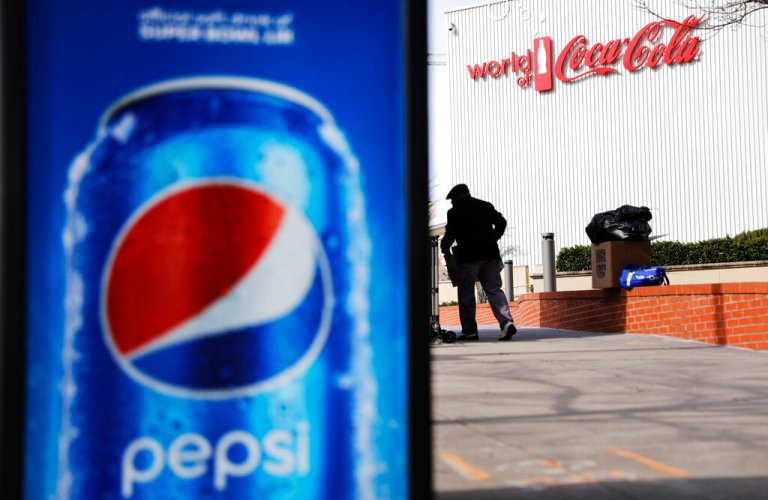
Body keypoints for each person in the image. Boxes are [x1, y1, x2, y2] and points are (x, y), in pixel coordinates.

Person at [440, 184, 517, 341]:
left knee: (466, 294)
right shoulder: (485, 205)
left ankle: (470, 331)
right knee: (494, 290)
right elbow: (502, 223)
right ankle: (506, 322)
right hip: (490, 255)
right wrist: (493, 239)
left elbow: (450, 234)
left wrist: (444, 248)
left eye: (453, 199)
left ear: (459, 196)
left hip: (468, 258)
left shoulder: (454, 212)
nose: (452, 202)